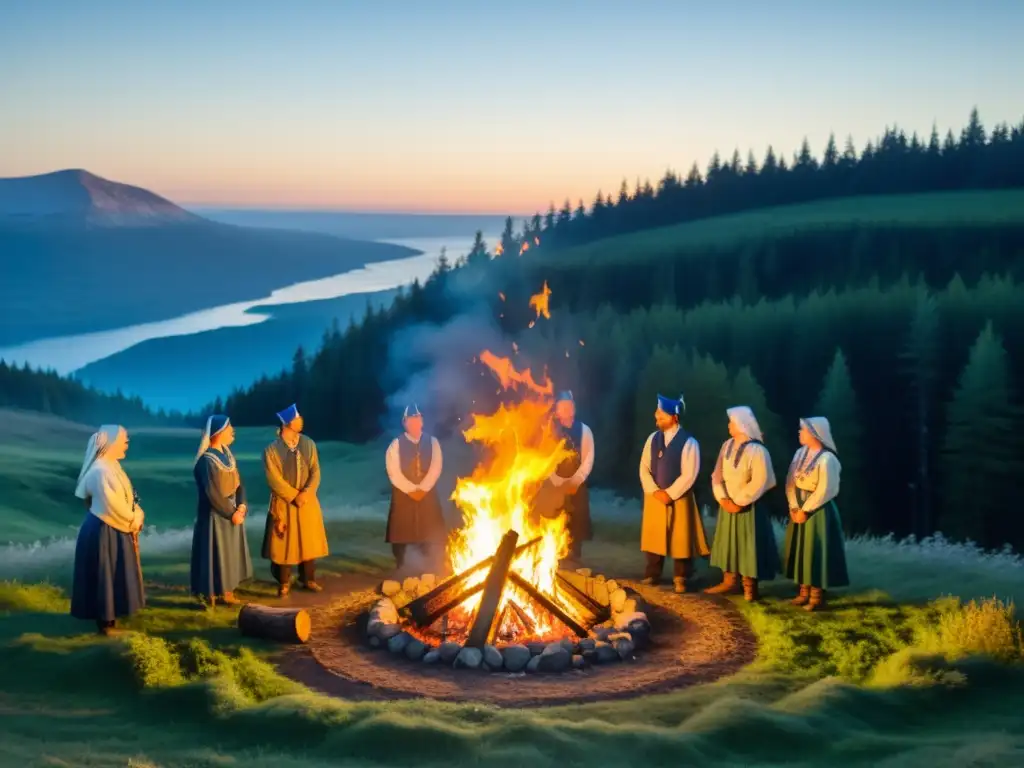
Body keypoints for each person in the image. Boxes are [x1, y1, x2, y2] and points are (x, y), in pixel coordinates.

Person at [70, 425, 146, 636]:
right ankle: (105, 623)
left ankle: (111, 618)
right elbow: (113, 506)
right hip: (104, 529)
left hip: (114, 528)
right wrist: (133, 520)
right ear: (111, 442)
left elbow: (128, 499)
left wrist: (137, 514)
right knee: (105, 574)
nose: (126, 444)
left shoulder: (112, 467)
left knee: (113, 573)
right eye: (124, 440)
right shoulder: (100, 471)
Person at [705, 406, 780, 601]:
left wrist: (739, 501)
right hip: (728, 504)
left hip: (748, 507)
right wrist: (722, 498)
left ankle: (749, 586)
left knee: (749, 545)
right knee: (728, 543)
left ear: (741, 424)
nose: (729, 425)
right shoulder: (727, 445)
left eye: (732, 422)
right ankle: (729, 581)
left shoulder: (757, 450)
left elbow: (761, 480)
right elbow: (717, 475)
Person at [638, 393, 710, 593]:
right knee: (654, 536)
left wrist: (670, 493)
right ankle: (653, 573)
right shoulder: (652, 439)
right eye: (657, 414)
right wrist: (653, 490)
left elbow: (690, 474)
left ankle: (681, 576)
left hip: (680, 498)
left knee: (681, 538)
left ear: (674, 417)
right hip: (655, 496)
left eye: (661, 414)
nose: (656, 417)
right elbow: (643, 466)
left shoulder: (689, 442)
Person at [782, 416, 851, 611]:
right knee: (802, 549)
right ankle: (803, 591)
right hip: (799, 506)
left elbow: (826, 489)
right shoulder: (799, 454)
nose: (799, 433)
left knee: (816, 550)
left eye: (803, 429)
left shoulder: (828, 459)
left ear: (815, 433)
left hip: (817, 510)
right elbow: (790, 480)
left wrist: (806, 509)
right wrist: (794, 505)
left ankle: (816, 595)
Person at [261, 404, 329, 596]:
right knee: (284, 544)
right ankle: (283, 581)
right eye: (298, 418)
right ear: (287, 423)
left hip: (307, 501)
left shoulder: (308, 444)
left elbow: (315, 471)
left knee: (308, 541)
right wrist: (293, 496)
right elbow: (273, 479)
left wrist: (306, 493)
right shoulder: (271, 450)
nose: (301, 421)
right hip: (284, 503)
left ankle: (308, 579)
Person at [190, 414, 253, 607]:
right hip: (215, 516)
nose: (232, 431)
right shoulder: (207, 461)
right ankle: (210, 592)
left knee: (229, 553)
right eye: (229, 427)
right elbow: (212, 493)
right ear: (218, 433)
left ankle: (227, 590)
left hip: (233, 514)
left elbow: (239, 484)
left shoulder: (227, 455)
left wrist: (241, 506)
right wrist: (230, 512)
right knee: (214, 553)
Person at [385, 403, 447, 571]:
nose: (414, 423)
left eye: (417, 419)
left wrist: (423, 488)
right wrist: (411, 489)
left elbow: (436, 467)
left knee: (430, 530)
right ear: (404, 423)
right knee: (401, 533)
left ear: (422, 422)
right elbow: (393, 471)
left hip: (427, 493)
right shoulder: (395, 444)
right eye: (410, 420)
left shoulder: (433, 442)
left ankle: (430, 566)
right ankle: (401, 566)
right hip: (404, 494)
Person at [546, 390, 594, 563]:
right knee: (557, 517)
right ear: (556, 410)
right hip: (556, 484)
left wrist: (575, 481)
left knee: (577, 519)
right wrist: (557, 481)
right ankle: (556, 552)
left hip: (577, 484)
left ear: (574, 408)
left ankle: (575, 552)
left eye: (569, 406)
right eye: (562, 407)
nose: (566, 410)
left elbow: (588, 459)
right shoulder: (551, 431)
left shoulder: (584, 430)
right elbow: (546, 459)